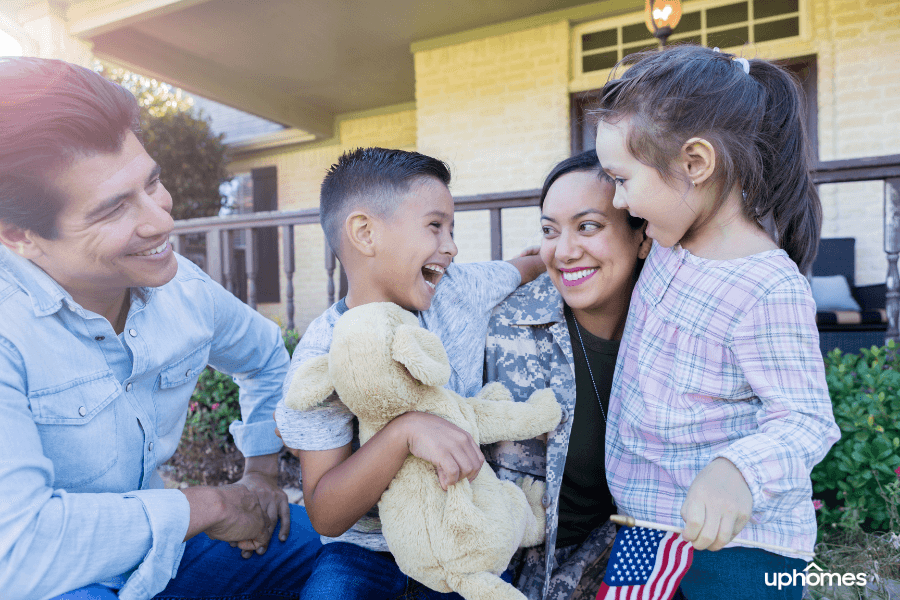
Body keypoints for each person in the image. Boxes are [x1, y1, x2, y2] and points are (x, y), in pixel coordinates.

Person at [0, 57, 321, 600]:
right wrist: (209, 505)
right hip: (49, 582)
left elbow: (268, 357)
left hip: (162, 556)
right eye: (114, 209)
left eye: (152, 182)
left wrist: (262, 476)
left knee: (351, 544)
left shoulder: (183, 291)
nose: (161, 220)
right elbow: (17, 552)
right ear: (19, 235)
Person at [592, 45, 841, 599]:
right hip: (644, 523)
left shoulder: (765, 286)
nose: (616, 198)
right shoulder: (665, 245)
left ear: (695, 164)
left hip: (741, 549)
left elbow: (805, 419)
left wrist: (739, 471)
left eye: (623, 179)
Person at [274, 147, 546, 599]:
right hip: (363, 556)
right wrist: (405, 432)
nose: (451, 245)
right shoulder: (323, 355)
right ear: (365, 233)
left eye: (452, 229)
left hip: (466, 541)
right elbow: (325, 513)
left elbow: (526, 267)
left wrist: (549, 253)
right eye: (435, 226)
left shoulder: (460, 290)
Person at [483, 150, 651, 600]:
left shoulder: (674, 330)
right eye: (549, 231)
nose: (564, 250)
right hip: (516, 577)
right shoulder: (506, 326)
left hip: (641, 559)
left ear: (642, 236)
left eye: (588, 226)